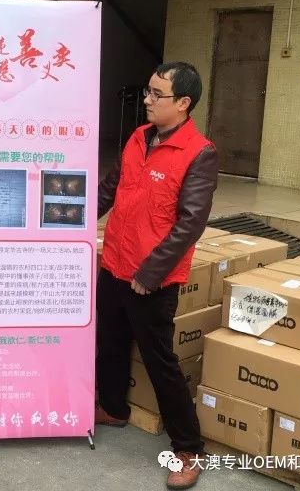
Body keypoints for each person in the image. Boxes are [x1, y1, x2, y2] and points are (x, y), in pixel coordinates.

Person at [95, 62, 218, 490]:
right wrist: (67, 221)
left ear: (183, 103)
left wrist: (151, 272)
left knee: (159, 361)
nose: (146, 100)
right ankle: (114, 408)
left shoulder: (199, 153)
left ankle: (189, 448)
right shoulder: (138, 137)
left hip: (152, 278)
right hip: (114, 262)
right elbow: (111, 189)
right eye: (147, 91)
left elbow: (190, 224)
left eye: (156, 94)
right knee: (110, 342)